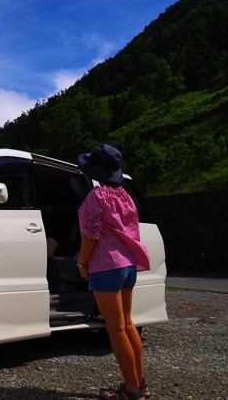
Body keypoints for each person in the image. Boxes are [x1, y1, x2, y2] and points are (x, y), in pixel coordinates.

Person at [76, 144, 152, 400]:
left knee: (116, 329)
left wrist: (81, 264)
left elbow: (90, 236)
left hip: (106, 266)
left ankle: (131, 391)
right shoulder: (125, 195)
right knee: (128, 324)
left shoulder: (95, 198)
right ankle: (139, 384)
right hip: (128, 265)